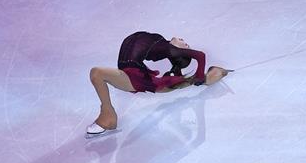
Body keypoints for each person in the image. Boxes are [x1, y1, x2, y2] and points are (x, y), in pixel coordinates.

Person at [86, 31, 231, 136]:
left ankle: (108, 116)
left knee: (97, 72)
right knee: (183, 82)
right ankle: (211, 76)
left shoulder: (169, 49)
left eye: (185, 45)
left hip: (134, 76)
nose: (184, 41)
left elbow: (200, 55)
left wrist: (199, 75)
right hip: (131, 73)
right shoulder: (160, 43)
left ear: (179, 51)